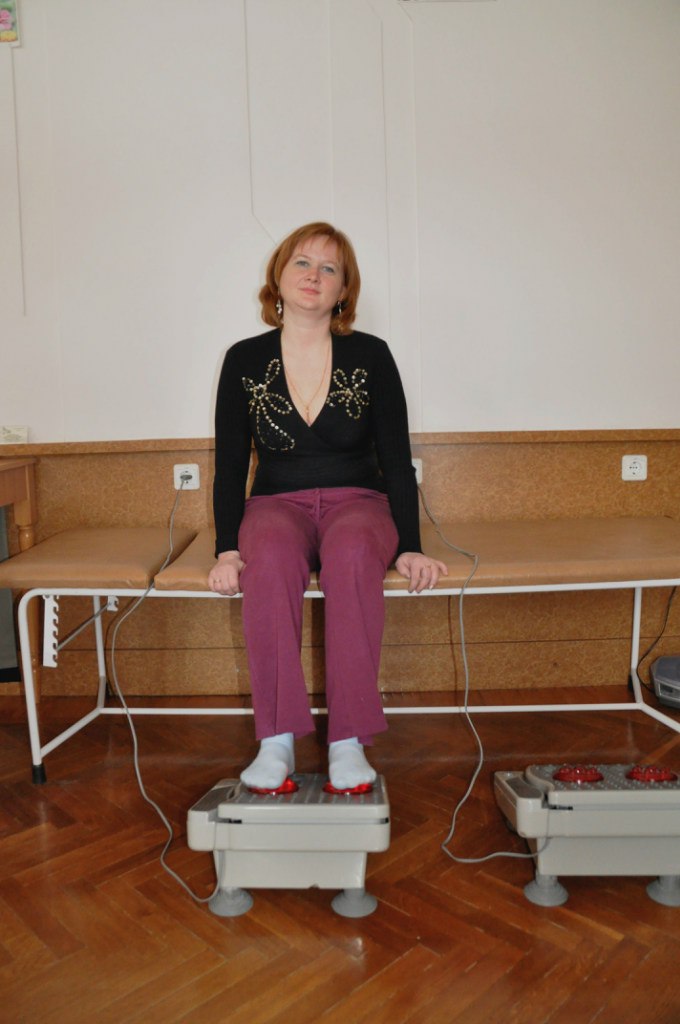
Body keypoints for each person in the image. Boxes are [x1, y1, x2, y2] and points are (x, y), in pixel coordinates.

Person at [208, 222, 447, 792]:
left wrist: (411, 546)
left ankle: (347, 740)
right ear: (279, 276)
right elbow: (231, 465)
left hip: (359, 502)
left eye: (329, 268)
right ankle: (276, 740)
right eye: (302, 262)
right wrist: (227, 549)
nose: (313, 275)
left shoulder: (372, 355)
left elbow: (397, 458)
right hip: (275, 504)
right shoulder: (243, 359)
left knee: (354, 555)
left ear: (343, 289)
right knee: (267, 558)